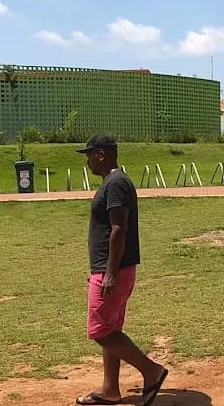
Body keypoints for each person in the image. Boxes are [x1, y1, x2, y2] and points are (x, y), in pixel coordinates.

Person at [75, 133, 168, 406]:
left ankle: (152, 371)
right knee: (111, 328)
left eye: (89, 155)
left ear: (101, 155)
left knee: (100, 330)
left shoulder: (115, 183)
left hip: (112, 269)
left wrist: (110, 272)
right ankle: (110, 389)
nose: (88, 162)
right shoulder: (115, 181)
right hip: (113, 267)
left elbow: (119, 228)